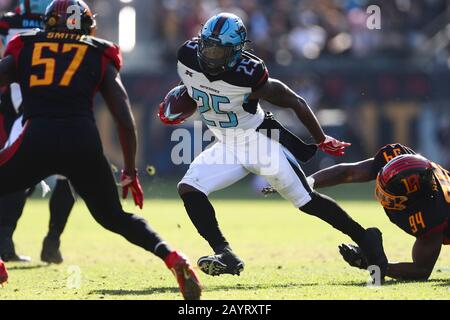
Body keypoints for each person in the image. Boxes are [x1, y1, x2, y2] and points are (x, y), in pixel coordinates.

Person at [160, 12, 388, 279]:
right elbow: (192, 84)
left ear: (235, 52)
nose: (210, 55)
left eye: (218, 51)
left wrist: (320, 138)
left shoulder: (249, 74)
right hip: (228, 143)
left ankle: (367, 238)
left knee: (306, 201)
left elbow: (295, 101)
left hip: (259, 142)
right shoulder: (187, 55)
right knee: (190, 187)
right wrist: (180, 98)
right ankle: (225, 253)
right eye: (207, 46)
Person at [0, 0, 201, 299]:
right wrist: (130, 170)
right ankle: (172, 257)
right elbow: (123, 116)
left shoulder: (25, 46)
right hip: (82, 140)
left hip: (37, 136)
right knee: (114, 217)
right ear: (87, 25)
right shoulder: (97, 53)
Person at [0, 0, 74, 264]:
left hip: (35, 110)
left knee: (21, 177)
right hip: (40, 111)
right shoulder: (12, 25)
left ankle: (17, 242)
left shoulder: (12, 24)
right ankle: (32, 240)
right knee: (59, 176)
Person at [308, 143, 450, 280]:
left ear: (408, 201)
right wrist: (306, 182)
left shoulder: (431, 215)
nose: (380, 191)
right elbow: (347, 173)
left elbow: (421, 270)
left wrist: (370, 263)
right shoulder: (400, 162)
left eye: (387, 193)